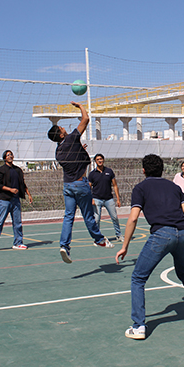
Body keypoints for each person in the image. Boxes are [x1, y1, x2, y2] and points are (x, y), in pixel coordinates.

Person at [115, 154, 184, 340]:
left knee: (138, 278)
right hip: (182, 233)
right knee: (183, 271)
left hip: (161, 235)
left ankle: (139, 326)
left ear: (143, 170)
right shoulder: (174, 187)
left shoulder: (140, 188)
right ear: (163, 169)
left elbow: (133, 218)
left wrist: (125, 246)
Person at [47, 101, 113, 264]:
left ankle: (64, 246)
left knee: (68, 217)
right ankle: (99, 239)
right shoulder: (71, 139)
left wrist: (80, 149)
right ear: (61, 135)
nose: (64, 128)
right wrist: (81, 107)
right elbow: (85, 120)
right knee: (88, 216)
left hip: (67, 186)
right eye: (62, 128)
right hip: (80, 185)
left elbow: (74, 156)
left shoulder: (59, 151)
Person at [0, 150, 33, 252]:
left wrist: (28, 194)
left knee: (18, 222)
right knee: (0, 221)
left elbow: (22, 184)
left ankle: (18, 243)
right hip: (4, 200)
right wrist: (10, 189)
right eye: (8, 155)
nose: (10, 156)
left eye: (11, 154)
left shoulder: (18, 170)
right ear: (4, 158)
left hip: (16, 200)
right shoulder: (1, 170)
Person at [88, 153, 123, 241]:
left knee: (114, 217)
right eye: (98, 159)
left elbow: (115, 185)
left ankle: (118, 235)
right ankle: (98, 238)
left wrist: (118, 199)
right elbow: (89, 187)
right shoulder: (92, 174)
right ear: (95, 161)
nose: (100, 160)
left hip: (109, 199)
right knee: (96, 219)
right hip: (96, 199)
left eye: (101, 159)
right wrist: (91, 199)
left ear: (103, 160)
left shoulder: (109, 171)